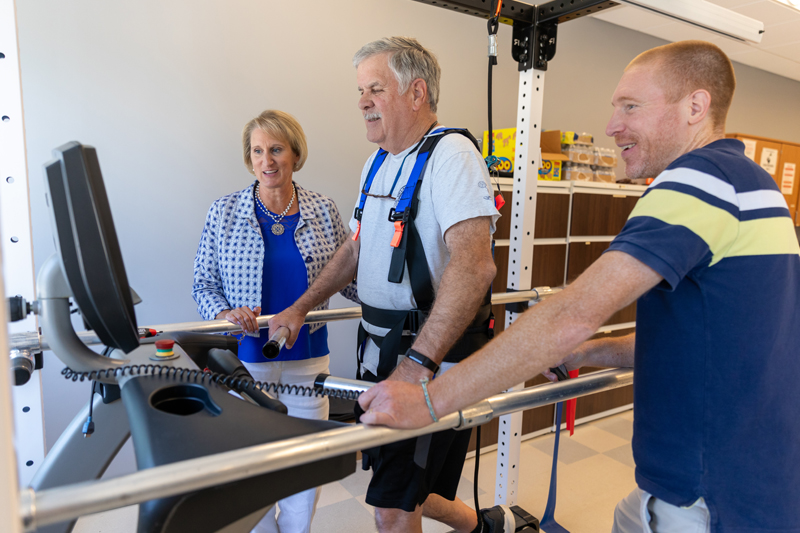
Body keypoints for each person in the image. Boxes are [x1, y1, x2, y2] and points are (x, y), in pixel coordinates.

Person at [358, 40, 800, 533]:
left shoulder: (699, 183)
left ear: (696, 107)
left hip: (709, 494)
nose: (612, 125)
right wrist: (592, 351)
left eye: (631, 106)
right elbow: (710, 339)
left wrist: (432, 398)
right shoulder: (755, 185)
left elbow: (572, 312)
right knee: (625, 517)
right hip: (749, 474)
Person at [268, 37, 506, 533]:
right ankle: (482, 525)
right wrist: (301, 307)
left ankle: (476, 524)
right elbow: (355, 252)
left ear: (416, 93)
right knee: (401, 484)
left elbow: (474, 265)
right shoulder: (377, 163)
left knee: (392, 508)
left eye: (375, 89)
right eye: (360, 90)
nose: (361, 102)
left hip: (428, 359)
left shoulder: (452, 156)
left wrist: (418, 365)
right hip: (380, 353)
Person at [192, 109, 358, 533]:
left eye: (277, 149)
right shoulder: (224, 211)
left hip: (307, 361)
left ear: (295, 154)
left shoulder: (322, 209)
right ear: (249, 159)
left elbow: (349, 277)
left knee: (305, 468)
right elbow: (203, 283)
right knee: (255, 468)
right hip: (247, 363)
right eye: (258, 151)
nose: (268, 161)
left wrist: (397, 294)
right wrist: (225, 313)